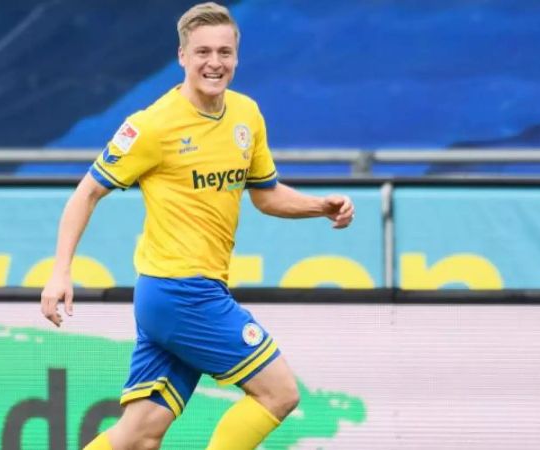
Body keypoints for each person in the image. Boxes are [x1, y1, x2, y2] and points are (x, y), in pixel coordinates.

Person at [40, 3, 355, 450]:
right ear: (182, 57)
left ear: (237, 58)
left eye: (224, 52)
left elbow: (265, 194)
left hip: (176, 296)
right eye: (203, 52)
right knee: (279, 393)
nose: (214, 63)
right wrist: (60, 271)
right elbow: (86, 192)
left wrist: (320, 207)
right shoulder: (151, 126)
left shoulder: (246, 116)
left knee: (139, 435)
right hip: (181, 291)